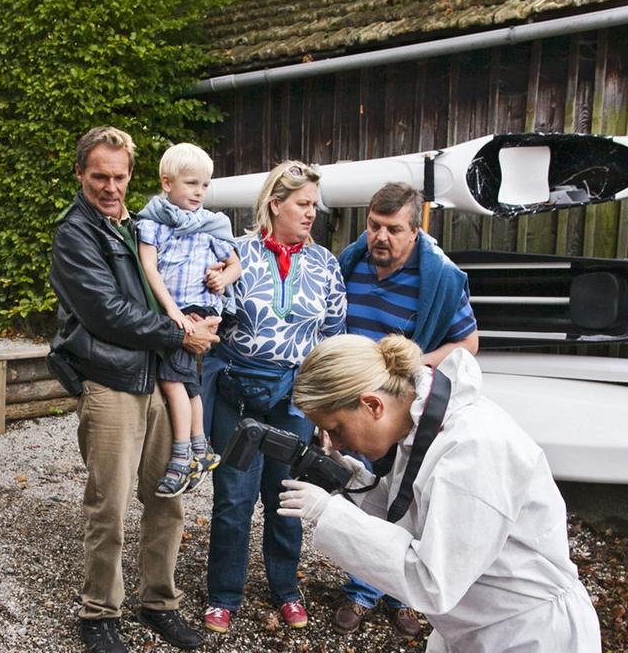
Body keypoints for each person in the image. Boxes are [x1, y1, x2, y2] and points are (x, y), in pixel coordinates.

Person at [280, 335, 601, 652]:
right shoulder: (421, 427)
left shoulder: (473, 448)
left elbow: (433, 582)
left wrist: (330, 514)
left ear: (372, 405)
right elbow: (409, 514)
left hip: (529, 635)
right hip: (473, 625)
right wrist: (348, 480)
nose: (334, 442)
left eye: (336, 429)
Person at [49, 126, 221, 653]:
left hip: (162, 378)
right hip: (113, 383)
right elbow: (106, 312)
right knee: (109, 504)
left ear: (131, 175)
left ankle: (159, 603)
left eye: (119, 176)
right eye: (99, 175)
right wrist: (182, 333)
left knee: (167, 499)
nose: (110, 186)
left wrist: (212, 298)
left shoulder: (142, 225)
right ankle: (99, 612)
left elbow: (178, 281)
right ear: (80, 173)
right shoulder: (75, 233)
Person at [201, 161, 347, 635]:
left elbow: (332, 338)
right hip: (239, 393)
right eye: (303, 204)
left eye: (314, 206)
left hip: (296, 399)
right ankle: (224, 595)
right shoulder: (235, 254)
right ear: (275, 203)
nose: (311, 214)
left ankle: (286, 588)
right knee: (233, 500)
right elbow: (210, 320)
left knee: (287, 499)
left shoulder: (326, 263)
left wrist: (326, 411)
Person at [332, 181, 479, 637]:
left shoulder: (439, 280)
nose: (380, 237)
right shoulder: (349, 266)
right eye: (374, 225)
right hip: (352, 407)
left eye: (393, 229)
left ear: (415, 231)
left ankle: (400, 595)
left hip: (402, 412)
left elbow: (468, 343)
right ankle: (361, 588)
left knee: (405, 498)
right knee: (361, 496)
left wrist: (416, 365)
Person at [136, 143, 238, 498]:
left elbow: (234, 263)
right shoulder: (152, 223)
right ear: (167, 182)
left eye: (205, 185)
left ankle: (183, 455)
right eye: (192, 183)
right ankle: (200, 448)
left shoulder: (211, 224)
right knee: (186, 380)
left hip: (198, 310)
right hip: (175, 311)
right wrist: (171, 311)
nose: (199, 192)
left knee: (171, 380)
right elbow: (150, 268)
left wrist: (223, 279)